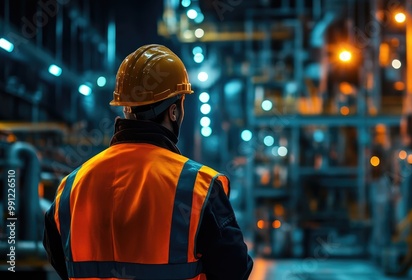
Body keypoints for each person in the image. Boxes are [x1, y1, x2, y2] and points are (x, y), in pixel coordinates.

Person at [43, 44, 254, 280]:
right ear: (174, 112)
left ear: (125, 108)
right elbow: (235, 270)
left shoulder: (72, 186)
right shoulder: (199, 187)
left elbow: (61, 262)